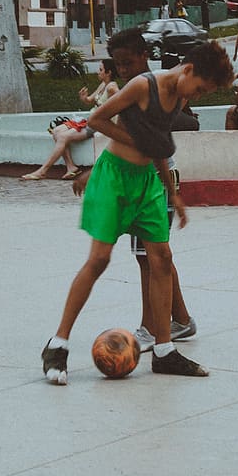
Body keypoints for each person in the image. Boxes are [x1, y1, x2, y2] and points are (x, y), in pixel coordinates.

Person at [42, 40, 233, 384]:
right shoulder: (144, 85)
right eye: (203, 87)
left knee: (161, 259)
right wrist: (136, 144)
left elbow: (157, 141)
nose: (202, 95)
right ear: (188, 70)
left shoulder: (181, 95)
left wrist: (172, 194)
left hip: (147, 183)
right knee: (98, 260)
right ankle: (57, 346)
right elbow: (98, 119)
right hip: (114, 178)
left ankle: (164, 351)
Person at [75, 27, 198, 354]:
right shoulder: (141, 87)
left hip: (157, 176)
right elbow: (127, 136)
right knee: (155, 256)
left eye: (128, 62)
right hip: (143, 175)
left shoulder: (154, 87)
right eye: (119, 66)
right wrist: (98, 171)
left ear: (144, 55)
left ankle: (151, 327)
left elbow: (149, 139)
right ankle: (180, 320)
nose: (124, 70)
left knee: (152, 257)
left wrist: (169, 189)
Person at [20, 59, 119, 181]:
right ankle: (71, 167)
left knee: (63, 137)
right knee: (56, 131)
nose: (98, 72)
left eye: (100, 70)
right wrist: (83, 98)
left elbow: (122, 102)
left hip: (97, 125)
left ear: (108, 72)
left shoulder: (112, 87)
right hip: (89, 120)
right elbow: (90, 100)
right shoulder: (103, 85)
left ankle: (42, 171)